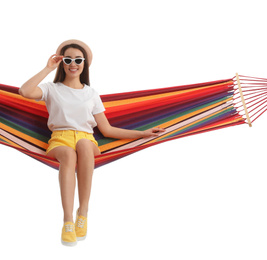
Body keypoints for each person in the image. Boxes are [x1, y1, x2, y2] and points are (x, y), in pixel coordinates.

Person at [19, 39, 165, 246]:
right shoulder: (51, 89)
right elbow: (24, 91)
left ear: (85, 63)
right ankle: (68, 220)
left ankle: (83, 212)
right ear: (62, 62)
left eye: (78, 60)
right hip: (60, 139)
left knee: (85, 145)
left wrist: (142, 133)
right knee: (69, 155)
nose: (73, 63)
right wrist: (47, 68)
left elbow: (107, 130)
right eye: (68, 59)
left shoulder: (91, 94)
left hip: (87, 139)